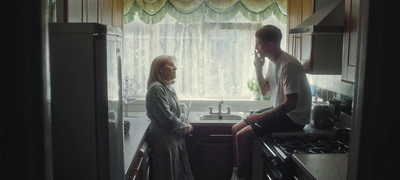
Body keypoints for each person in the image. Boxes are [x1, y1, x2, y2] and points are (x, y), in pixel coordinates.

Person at [231, 25, 312, 180]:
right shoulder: (272, 62)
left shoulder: (289, 65)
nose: (255, 48)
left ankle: (242, 177)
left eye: (257, 44)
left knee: (242, 136)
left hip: (293, 118)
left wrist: (261, 117)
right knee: (236, 129)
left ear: (270, 45)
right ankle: (236, 171)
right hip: (282, 111)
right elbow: (264, 91)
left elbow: (290, 105)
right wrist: (258, 68)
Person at [146, 55, 194, 180]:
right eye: (171, 65)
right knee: (167, 175)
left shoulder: (167, 88)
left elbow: (174, 112)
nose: (175, 68)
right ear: (160, 69)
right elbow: (167, 120)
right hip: (164, 143)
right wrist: (186, 127)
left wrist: (183, 120)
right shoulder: (156, 89)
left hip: (172, 141)